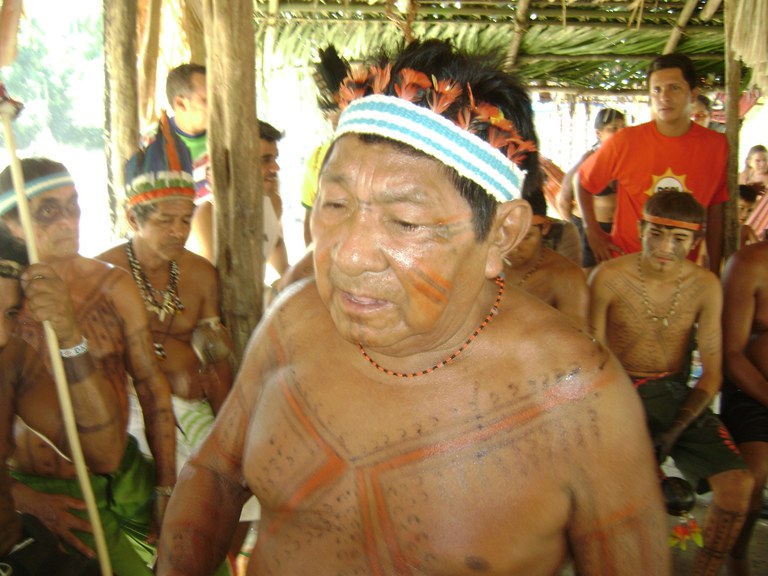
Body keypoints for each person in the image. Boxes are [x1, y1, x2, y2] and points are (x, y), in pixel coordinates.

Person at [157, 39, 669, 576]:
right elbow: (215, 472)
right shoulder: (292, 320)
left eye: (405, 222)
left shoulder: (579, 399)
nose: (349, 256)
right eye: (335, 204)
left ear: (501, 234)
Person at [0, 157, 177, 575]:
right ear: (10, 224)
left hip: (120, 479)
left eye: (73, 205)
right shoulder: (7, 305)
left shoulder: (112, 285)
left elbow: (151, 386)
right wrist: (23, 499)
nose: (68, 221)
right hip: (34, 493)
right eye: (48, 210)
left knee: (191, 561)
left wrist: (166, 485)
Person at [589, 190, 753, 575]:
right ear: (640, 229)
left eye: (679, 238)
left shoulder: (705, 285)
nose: (665, 248)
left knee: (739, 486)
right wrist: (627, 426)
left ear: (695, 241)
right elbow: (592, 359)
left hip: (677, 394)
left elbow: (712, 373)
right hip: (614, 390)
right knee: (624, 498)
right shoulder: (608, 277)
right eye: (656, 234)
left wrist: (675, 430)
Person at [97, 112, 232, 474]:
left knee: (225, 487)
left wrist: (230, 433)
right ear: (133, 220)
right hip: (129, 410)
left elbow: (216, 358)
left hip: (192, 407)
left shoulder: (201, 275)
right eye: (165, 221)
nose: (179, 231)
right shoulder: (103, 275)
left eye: (186, 219)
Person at [0, 223, 123, 575]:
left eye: (10, 314)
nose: (2, 336)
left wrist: (70, 336)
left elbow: (104, 455)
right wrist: (25, 497)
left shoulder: (13, 358)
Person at [578, 54, 728, 275]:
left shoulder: (716, 146)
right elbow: (582, 182)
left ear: (693, 94)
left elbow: (716, 211)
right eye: (656, 90)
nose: (664, 97)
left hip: (680, 269)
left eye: (674, 88)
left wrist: (714, 270)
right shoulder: (625, 141)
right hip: (626, 265)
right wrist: (592, 230)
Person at [720, 239, 768, 575]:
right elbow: (731, 354)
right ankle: (736, 555)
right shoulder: (749, 263)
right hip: (751, 387)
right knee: (753, 474)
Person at [505, 188, 589, 327]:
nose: (514, 246)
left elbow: (577, 333)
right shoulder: (484, 262)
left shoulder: (566, 277)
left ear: (545, 227)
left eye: (526, 237)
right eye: (507, 234)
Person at [557, 108, 625, 269]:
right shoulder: (588, 160)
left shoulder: (626, 161)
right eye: (613, 128)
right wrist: (579, 230)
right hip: (587, 230)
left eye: (623, 128)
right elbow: (563, 200)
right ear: (598, 133)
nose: (620, 133)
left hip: (614, 232)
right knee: (588, 276)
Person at [301, 45, 349, 247]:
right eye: (332, 115)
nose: (336, 121)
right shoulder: (317, 158)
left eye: (342, 114)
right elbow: (309, 224)